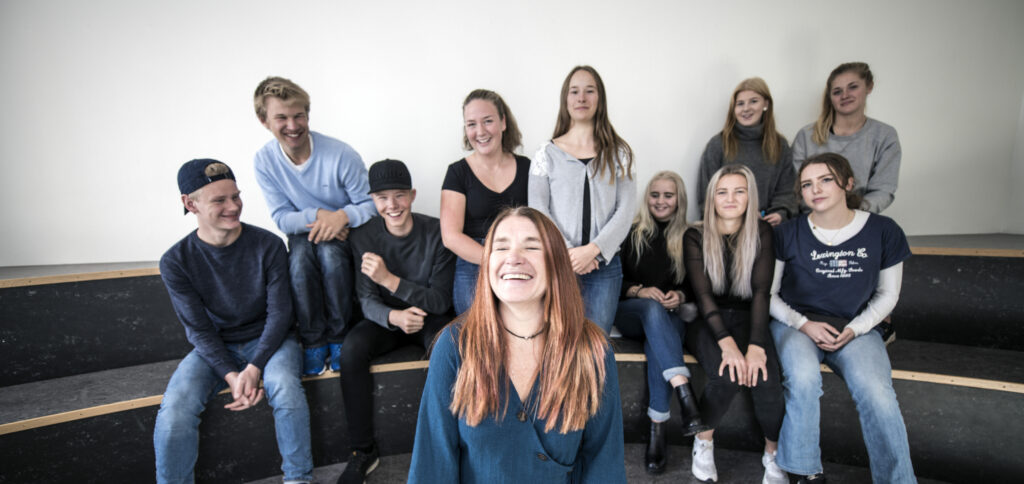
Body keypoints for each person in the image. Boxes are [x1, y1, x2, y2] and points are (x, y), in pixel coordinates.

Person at [408, 207, 626, 483]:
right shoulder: (455, 346)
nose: (513, 258)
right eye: (501, 247)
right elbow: (432, 464)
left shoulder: (592, 350)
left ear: (556, 263)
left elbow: (604, 465)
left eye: (531, 247)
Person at [155, 159, 312, 484]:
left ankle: (299, 480)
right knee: (175, 409)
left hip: (271, 340)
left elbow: (280, 314)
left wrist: (254, 368)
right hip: (215, 346)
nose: (233, 206)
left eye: (236, 196)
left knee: (284, 387)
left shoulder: (268, 244)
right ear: (190, 204)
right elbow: (198, 329)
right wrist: (230, 373)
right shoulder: (175, 261)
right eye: (220, 200)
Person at [769, 153, 914, 483]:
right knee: (803, 379)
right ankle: (804, 472)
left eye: (826, 180)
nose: (816, 189)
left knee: (877, 393)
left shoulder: (884, 231)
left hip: (855, 326)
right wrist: (803, 324)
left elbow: (888, 294)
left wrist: (856, 328)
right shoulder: (787, 233)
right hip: (796, 323)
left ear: (848, 184)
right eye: (807, 184)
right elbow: (769, 295)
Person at [338, 159, 455, 484]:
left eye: (399, 195)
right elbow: (366, 300)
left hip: (429, 317)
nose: (392, 205)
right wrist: (394, 317)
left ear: (412, 195)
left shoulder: (436, 232)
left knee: (448, 345)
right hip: (387, 320)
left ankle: (449, 444)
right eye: (382, 198)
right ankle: (362, 451)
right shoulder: (363, 236)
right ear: (372, 201)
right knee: (351, 350)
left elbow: (440, 300)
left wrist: (389, 280)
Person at [253, 76, 377, 376]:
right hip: (302, 234)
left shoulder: (341, 154)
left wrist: (342, 217)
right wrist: (322, 215)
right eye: (281, 118)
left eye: (299, 116)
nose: (292, 125)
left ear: (307, 115)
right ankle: (312, 341)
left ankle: (339, 335)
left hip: (346, 233)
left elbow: (370, 205)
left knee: (331, 256)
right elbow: (282, 217)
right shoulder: (264, 161)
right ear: (264, 121)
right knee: (297, 261)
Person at [684, 165, 786, 484]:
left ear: (750, 196)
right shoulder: (695, 235)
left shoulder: (762, 232)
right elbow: (703, 296)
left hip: (749, 315)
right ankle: (704, 442)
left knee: (766, 376)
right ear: (712, 197)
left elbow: (761, 292)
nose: (730, 198)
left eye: (739, 191)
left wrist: (756, 345)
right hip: (706, 319)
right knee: (726, 374)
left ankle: (773, 453)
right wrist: (727, 345)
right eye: (722, 192)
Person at [529, 65, 636, 334]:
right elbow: (538, 210)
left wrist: (593, 251)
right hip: (558, 263)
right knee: (557, 340)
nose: (581, 98)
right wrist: (568, 253)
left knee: (596, 344)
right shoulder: (546, 153)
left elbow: (626, 209)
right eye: (574, 91)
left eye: (590, 91)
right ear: (565, 99)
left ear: (600, 99)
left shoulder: (619, 152)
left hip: (605, 267)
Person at [614, 170, 706, 475]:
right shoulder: (631, 232)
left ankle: (657, 429)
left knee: (660, 341)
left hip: (670, 317)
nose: (661, 201)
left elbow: (697, 285)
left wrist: (680, 295)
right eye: (655, 195)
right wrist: (639, 291)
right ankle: (684, 392)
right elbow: (613, 280)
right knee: (653, 312)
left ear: (679, 199)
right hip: (632, 314)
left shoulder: (690, 236)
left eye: (668, 195)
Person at [441, 89, 530, 315]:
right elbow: (451, 237)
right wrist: (495, 260)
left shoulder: (528, 167)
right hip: (474, 262)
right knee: (474, 332)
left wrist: (512, 258)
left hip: (519, 257)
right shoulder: (457, 172)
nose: (480, 131)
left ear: (503, 122)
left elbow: (539, 223)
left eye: (488, 121)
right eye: (471, 124)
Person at [791, 62, 901, 214]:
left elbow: (882, 190)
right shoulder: (806, 136)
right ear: (830, 97)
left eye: (853, 87)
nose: (845, 95)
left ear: (869, 87)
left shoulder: (884, 136)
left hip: (861, 217)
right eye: (837, 92)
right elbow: (797, 189)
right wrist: (823, 216)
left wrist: (849, 217)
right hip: (813, 218)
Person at [698, 77, 797, 226]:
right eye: (740, 104)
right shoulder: (718, 144)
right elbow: (707, 193)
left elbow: (787, 190)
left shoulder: (780, 145)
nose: (746, 109)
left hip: (768, 228)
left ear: (766, 104)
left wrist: (780, 213)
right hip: (728, 227)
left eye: (753, 101)